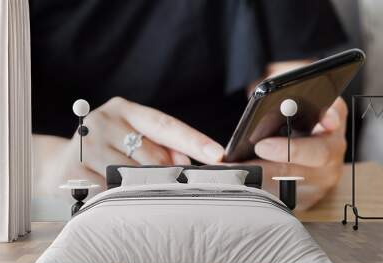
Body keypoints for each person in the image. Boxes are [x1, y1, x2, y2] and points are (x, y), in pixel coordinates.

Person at [30, 0, 348, 214]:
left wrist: (304, 143)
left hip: (239, 205)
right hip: (64, 209)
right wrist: (54, 166)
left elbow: (286, 77)